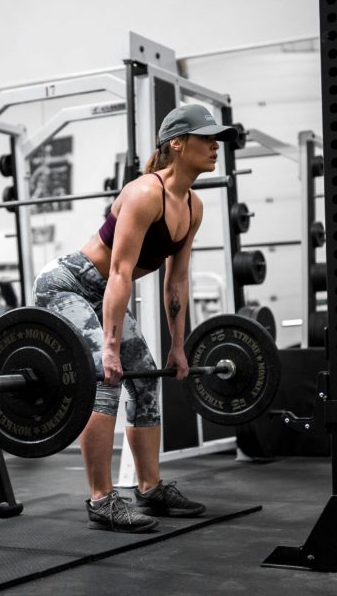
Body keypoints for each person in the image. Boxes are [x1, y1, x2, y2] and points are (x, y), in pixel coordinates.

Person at [33, 104, 238, 532]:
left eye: (216, 138)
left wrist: (178, 346)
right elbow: (121, 272)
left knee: (144, 377)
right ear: (177, 144)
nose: (215, 145)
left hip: (104, 291)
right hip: (68, 285)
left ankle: (149, 488)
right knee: (105, 382)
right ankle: (102, 500)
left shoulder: (192, 206)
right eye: (206, 138)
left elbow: (176, 283)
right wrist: (108, 349)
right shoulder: (146, 193)